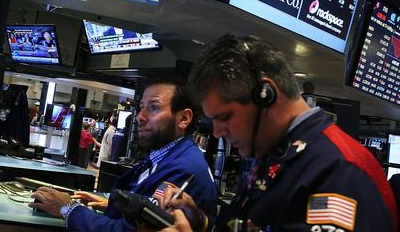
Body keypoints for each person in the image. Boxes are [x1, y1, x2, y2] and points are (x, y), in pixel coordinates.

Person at [162, 34, 397, 231]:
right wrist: (200, 224)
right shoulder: (277, 154)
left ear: (266, 95)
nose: (216, 132)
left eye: (224, 117)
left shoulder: (338, 173)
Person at [30, 79, 217, 232]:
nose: (140, 116)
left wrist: (67, 208)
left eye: (154, 108)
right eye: (142, 107)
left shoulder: (183, 168)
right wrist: (115, 204)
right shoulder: (169, 155)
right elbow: (146, 209)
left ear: (184, 118)